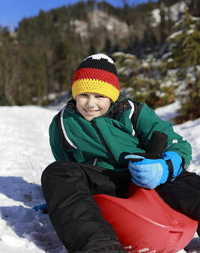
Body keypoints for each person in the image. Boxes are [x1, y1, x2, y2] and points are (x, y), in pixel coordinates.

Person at [41, 53, 200, 253]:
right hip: (107, 180)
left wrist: (165, 167)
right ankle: (99, 246)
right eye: (84, 95)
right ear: (75, 94)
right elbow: (66, 162)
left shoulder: (132, 111)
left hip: (148, 172)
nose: (90, 104)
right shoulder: (63, 123)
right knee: (57, 172)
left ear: (112, 95)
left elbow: (176, 142)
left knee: (192, 185)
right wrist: (59, 195)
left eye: (100, 96)